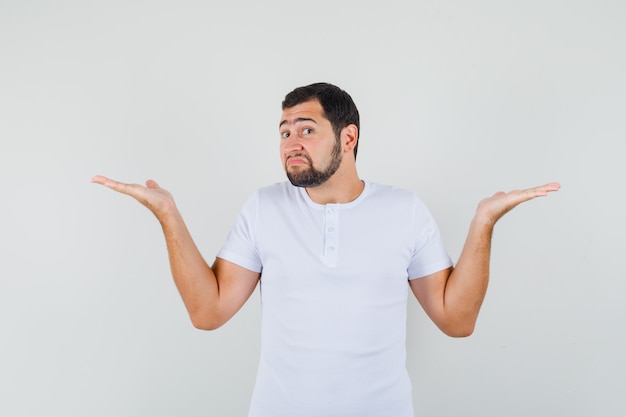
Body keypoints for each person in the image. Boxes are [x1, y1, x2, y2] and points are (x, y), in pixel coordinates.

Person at [92, 82, 559, 417]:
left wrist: (483, 223)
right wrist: (168, 214)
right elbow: (207, 311)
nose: (290, 143)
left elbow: (456, 321)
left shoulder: (404, 209)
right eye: (283, 132)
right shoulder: (264, 206)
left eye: (306, 129)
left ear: (348, 137)